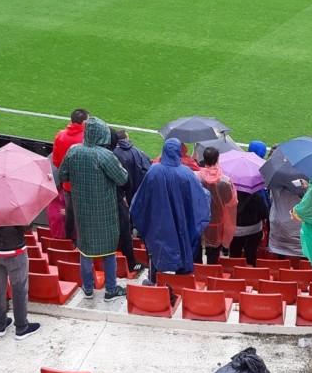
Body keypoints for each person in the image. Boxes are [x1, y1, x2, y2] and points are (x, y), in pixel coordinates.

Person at [58, 116, 129, 299]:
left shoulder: (74, 151)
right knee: (109, 251)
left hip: (82, 209)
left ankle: (88, 288)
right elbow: (122, 178)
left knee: (85, 249)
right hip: (104, 211)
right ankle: (111, 289)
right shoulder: (104, 155)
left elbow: (63, 175)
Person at [130, 138, 210, 283]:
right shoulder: (186, 173)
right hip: (180, 221)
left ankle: (154, 280)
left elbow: (141, 199)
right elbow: (198, 198)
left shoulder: (154, 170)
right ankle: (179, 282)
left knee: (156, 249)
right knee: (182, 246)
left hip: (158, 221)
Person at [111, 129, 150, 273]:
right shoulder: (137, 152)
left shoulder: (112, 155)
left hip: (121, 195)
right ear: (126, 138)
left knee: (122, 225)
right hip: (134, 191)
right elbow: (148, 169)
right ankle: (132, 258)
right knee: (128, 223)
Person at [50, 110, 87, 243]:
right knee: (84, 213)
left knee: (70, 213)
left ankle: (69, 241)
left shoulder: (60, 135)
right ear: (84, 122)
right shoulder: (86, 138)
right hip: (84, 184)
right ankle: (83, 243)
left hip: (68, 184)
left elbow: (56, 161)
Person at [195, 146, 236, 263]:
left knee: (197, 249)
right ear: (218, 159)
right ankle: (211, 277)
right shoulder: (225, 181)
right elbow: (230, 201)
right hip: (217, 221)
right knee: (213, 253)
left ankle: (198, 275)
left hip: (200, 220)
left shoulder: (196, 177)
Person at [230, 181, 268, 265]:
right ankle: (251, 273)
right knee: (251, 254)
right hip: (254, 231)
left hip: (236, 231)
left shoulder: (231, 198)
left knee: (234, 255)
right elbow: (264, 214)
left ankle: (234, 273)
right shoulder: (259, 198)